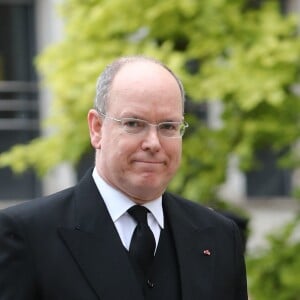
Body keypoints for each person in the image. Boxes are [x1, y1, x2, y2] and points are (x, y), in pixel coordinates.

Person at [0, 56, 248, 300]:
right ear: (96, 128)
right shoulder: (27, 235)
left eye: (168, 127)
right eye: (133, 123)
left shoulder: (219, 237)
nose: (153, 143)